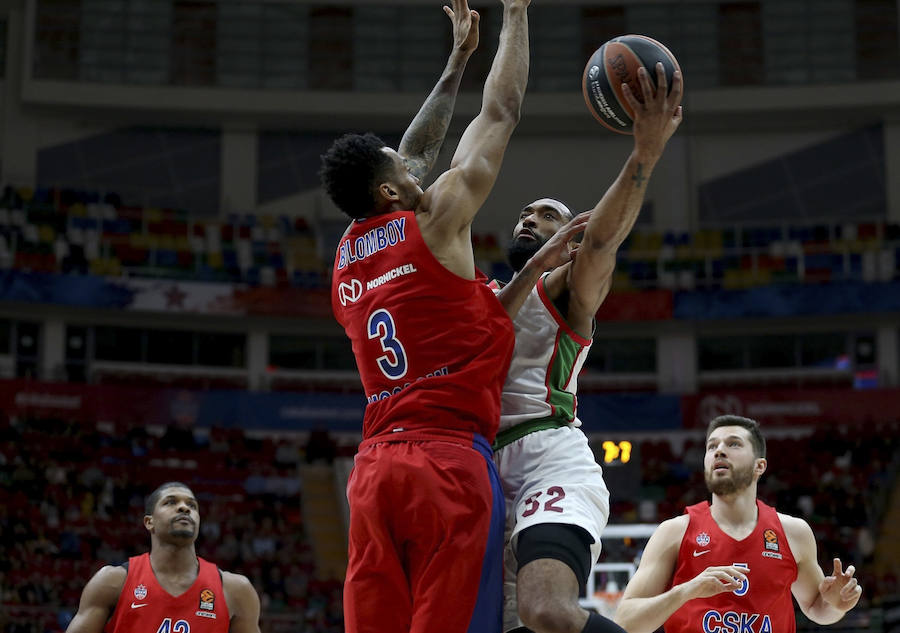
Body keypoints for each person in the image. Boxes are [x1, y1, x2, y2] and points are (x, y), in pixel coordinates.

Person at [321, 0, 532, 631]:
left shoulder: (345, 258)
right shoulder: (437, 220)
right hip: (448, 462)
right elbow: (501, 113)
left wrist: (457, 59)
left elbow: (413, 152)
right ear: (390, 190)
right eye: (401, 169)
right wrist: (515, 13)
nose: (418, 168)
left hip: (374, 471)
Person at [483, 63, 683, 633]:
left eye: (548, 216)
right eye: (525, 214)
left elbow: (600, 242)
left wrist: (644, 153)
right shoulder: (485, 295)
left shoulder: (568, 289)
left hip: (548, 456)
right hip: (481, 470)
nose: (530, 219)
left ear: (567, 242)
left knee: (547, 611)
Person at [614, 415, 863, 633]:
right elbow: (625, 623)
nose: (719, 451)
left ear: (759, 466)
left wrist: (836, 605)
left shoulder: (793, 532)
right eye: (712, 446)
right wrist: (687, 590)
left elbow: (816, 608)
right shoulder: (674, 532)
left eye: (733, 443)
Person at [65, 481, 261, 632]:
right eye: (171, 502)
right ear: (149, 522)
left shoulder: (236, 590)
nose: (184, 508)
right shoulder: (112, 581)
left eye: (192, 506)